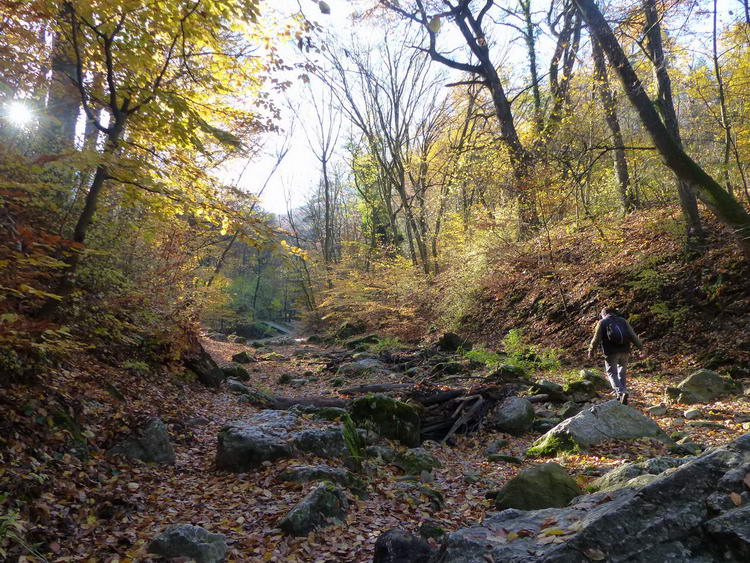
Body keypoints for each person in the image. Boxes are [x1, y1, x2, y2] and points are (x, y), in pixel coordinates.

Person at [587, 307, 643, 405]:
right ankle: (620, 395)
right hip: (625, 351)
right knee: (622, 372)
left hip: (611, 352)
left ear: (604, 314)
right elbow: (633, 335)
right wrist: (641, 347)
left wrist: (591, 350)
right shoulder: (623, 321)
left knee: (612, 373)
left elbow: (596, 339)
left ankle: (621, 392)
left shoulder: (602, 322)